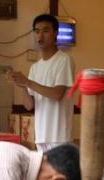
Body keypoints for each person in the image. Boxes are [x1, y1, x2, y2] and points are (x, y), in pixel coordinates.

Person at [6, 14, 76, 152]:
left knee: (59, 174)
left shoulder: (64, 60)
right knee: (45, 174)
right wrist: (22, 87)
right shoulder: (35, 67)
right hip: (41, 135)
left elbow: (57, 94)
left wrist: (28, 82)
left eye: (45, 30)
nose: (40, 35)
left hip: (59, 136)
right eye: (37, 31)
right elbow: (29, 106)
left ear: (55, 33)